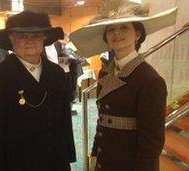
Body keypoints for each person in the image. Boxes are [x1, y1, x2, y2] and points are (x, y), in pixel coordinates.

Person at [70, 1, 178, 170]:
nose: (117, 33)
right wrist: (95, 154)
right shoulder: (105, 73)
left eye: (124, 28)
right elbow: (102, 121)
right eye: (111, 29)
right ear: (106, 37)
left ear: (138, 34)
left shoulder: (150, 80)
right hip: (105, 160)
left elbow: (151, 144)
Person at [0, 11, 76, 171]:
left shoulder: (56, 73)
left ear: (44, 38)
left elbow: (64, 119)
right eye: (22, 36)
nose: (30, 41)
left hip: (54, 159)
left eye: (36, 35)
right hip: (15, 162)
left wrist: (68, 154)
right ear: (11, 39)